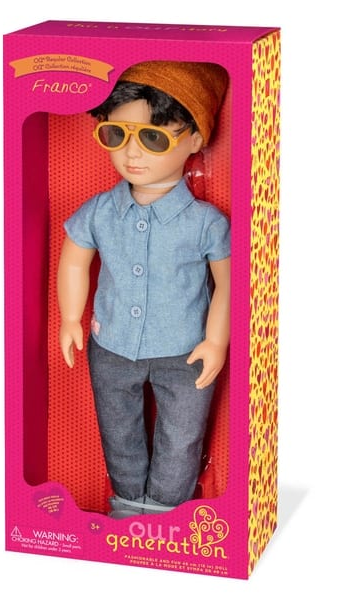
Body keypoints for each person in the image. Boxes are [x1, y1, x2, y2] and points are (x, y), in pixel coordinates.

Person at [57, 61, 230, 518]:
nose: (132, 153)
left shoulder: (206, 224)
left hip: (185, 350)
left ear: (195, 139)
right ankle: (128, 505)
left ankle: (167, 514)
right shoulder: (99, 211)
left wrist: (216, 340)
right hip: (111, 344)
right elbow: (74, 259)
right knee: (118, 430)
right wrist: (70, 318)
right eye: (117, 135)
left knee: (182, 435)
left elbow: (229, 285)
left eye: (153, 138)